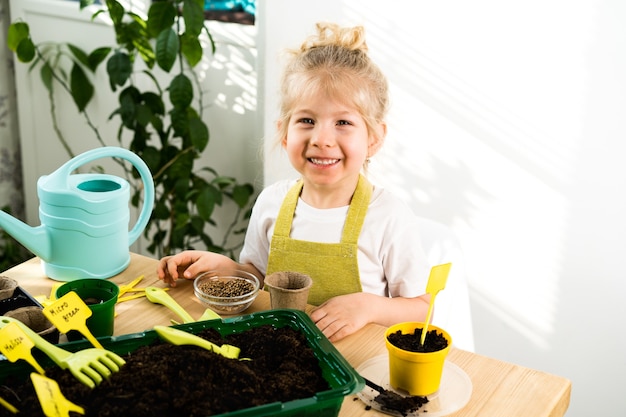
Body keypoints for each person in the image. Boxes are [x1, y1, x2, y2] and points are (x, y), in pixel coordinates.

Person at [157, 22, 432, 342]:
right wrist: (228, 269)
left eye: (343, 122)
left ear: (374, 138)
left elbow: (421, 308)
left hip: (358, 366)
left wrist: (367, 307)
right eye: (306, 121)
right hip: (282, 353)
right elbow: (258, 280)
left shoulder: (388, 216)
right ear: (284, 133)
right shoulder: (272, 202)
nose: (322, 139)